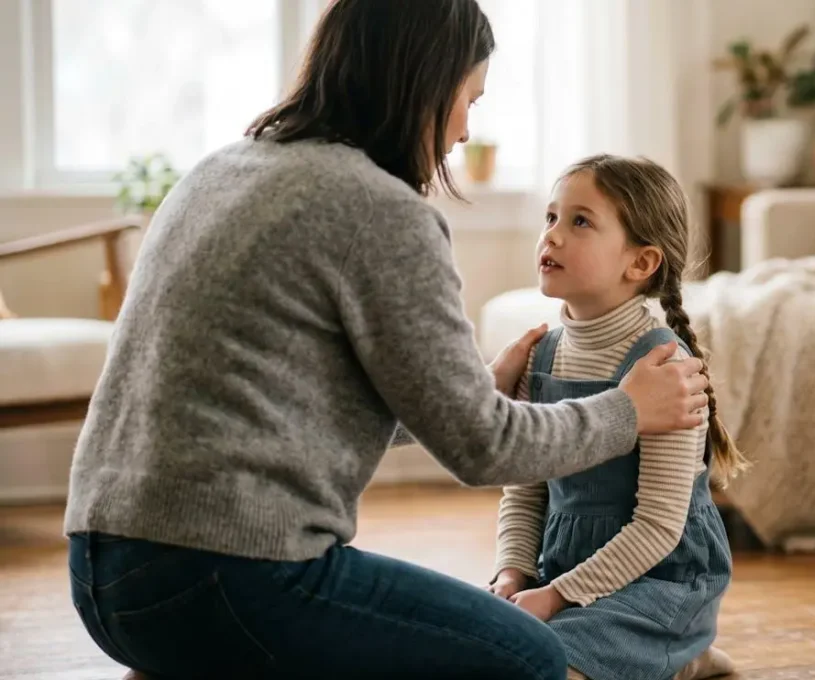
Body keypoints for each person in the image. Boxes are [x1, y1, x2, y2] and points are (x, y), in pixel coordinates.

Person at [63, 2, 709, 679]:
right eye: (468, 99)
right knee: (531, 657)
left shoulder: (218, 171)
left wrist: (477, 389)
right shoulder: (381, 212)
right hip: (225, 578)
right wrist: (627, 410)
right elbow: (483, 451)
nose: (463, 131)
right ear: (425, 85)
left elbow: (297, 408)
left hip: (102, 580)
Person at [485, 155, 748, 680]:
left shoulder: (664, 368)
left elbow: (657, 528)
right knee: (481, 654)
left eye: (580, 221)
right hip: (563, 577)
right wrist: (513, 573)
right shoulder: (538, 358)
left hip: (660, 578)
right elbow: (525, 490)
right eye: (551, 217)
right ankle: (667, 660)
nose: (553, 236)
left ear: (641, 263)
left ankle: (682, 647)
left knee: (544, 667)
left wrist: (555, 599)